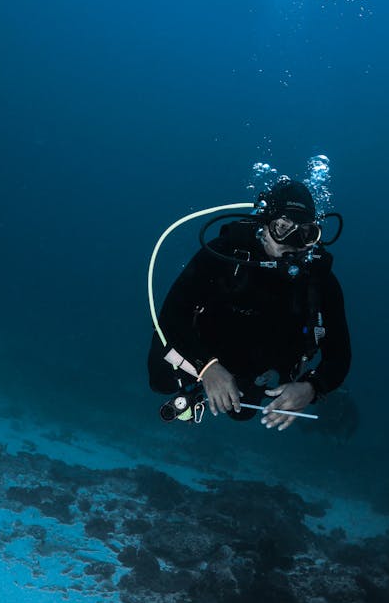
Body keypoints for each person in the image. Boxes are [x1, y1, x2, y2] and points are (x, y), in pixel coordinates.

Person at [148, 177, 351, 431]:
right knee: (160, 380)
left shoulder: (320, 282)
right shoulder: (224, 254)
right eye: (283, 227)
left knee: (242, 413)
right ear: (263, 226)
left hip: (258, 368)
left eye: (306, 233)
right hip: (204, 346)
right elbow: (171, 315)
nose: (293, 241)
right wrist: (207, 367)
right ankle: (202, 382)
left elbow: (340, 355)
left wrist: (311, 387)